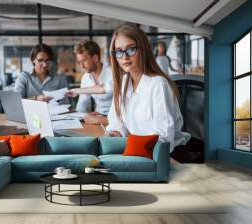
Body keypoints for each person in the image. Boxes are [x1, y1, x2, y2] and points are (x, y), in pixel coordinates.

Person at [106, 24, 190, 154]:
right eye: (119, 51)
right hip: (138, 150)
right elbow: (117, 121)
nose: (124, 57)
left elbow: (164, 137)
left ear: (143, 49)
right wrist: (115, 134)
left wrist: (131, 146)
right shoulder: (123, 83)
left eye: (131, 49)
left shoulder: (158, 85)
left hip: (168, 155)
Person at [66, 40, 112, 125]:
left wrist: (77, 90)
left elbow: (104, 88)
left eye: (84, 61)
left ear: (95, 58)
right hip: (97, 118)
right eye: (79, 62)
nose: (82, 66)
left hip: (115, 119)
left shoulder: (112, 73)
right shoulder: (86, 78)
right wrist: (83, 115)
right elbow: (82, 104)